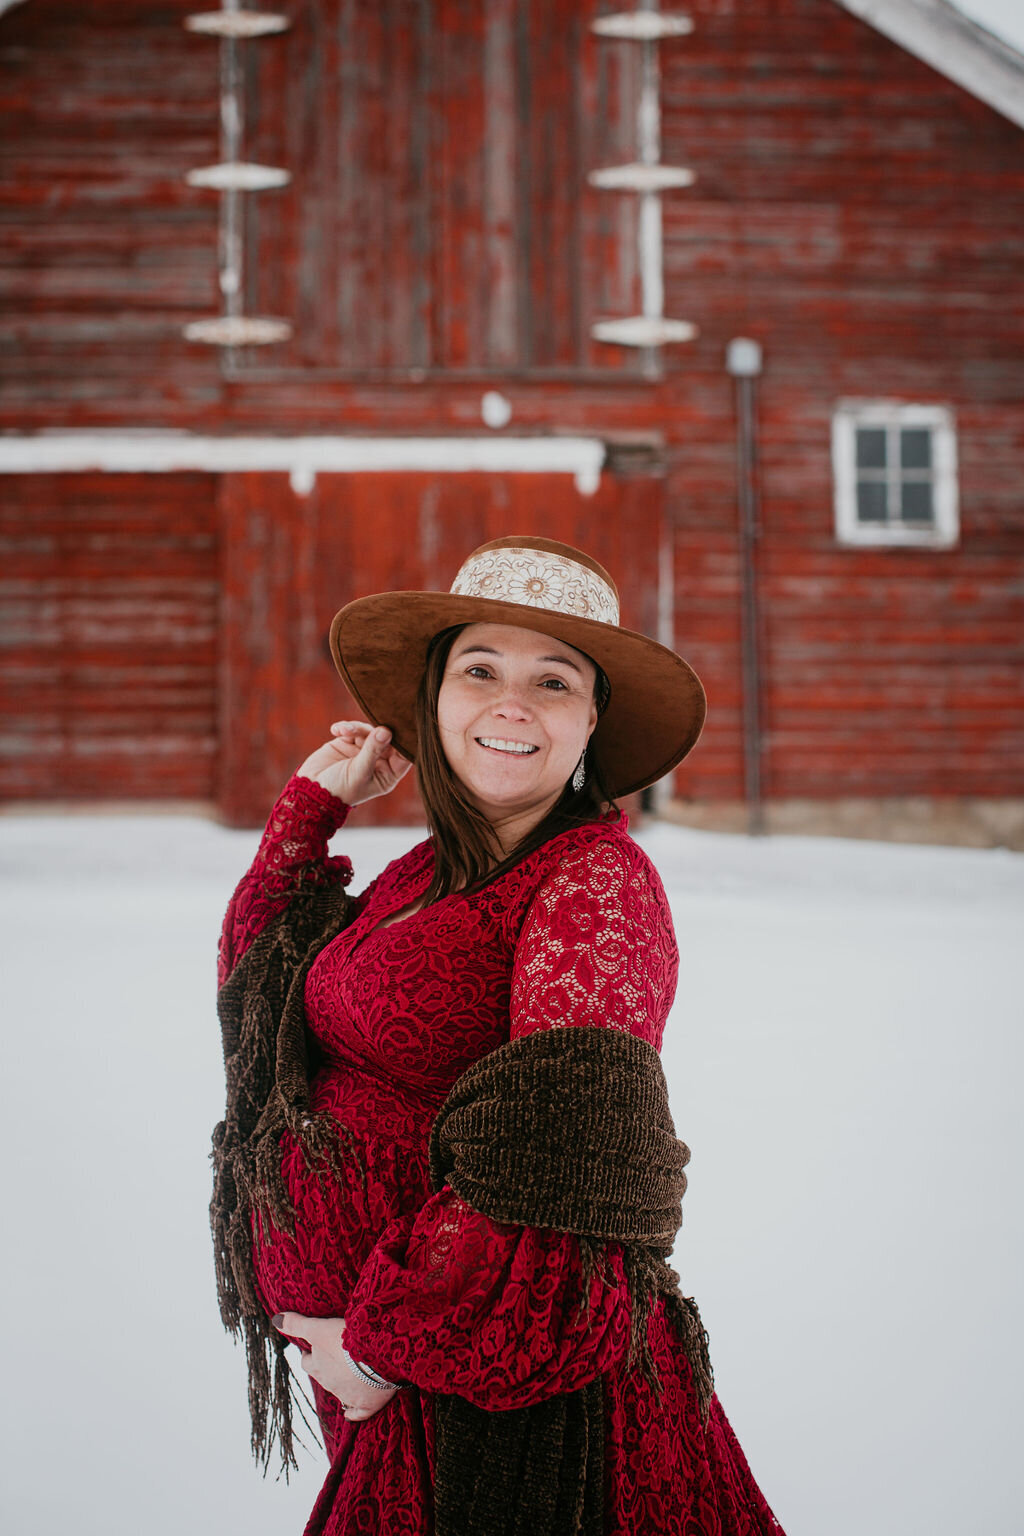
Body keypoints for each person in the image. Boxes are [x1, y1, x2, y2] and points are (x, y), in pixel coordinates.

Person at [213, 535, 785, 1535]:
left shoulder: (594, 884)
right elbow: (257, 1005)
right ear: (434, 701)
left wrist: (383, 1346)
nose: (511, 703)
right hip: (401, 1381)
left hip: (501, 1387)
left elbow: (560, 1167)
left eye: (553, 681)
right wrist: (308, 814)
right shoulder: (420, 874)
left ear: (590, 722)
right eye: (480, 670)